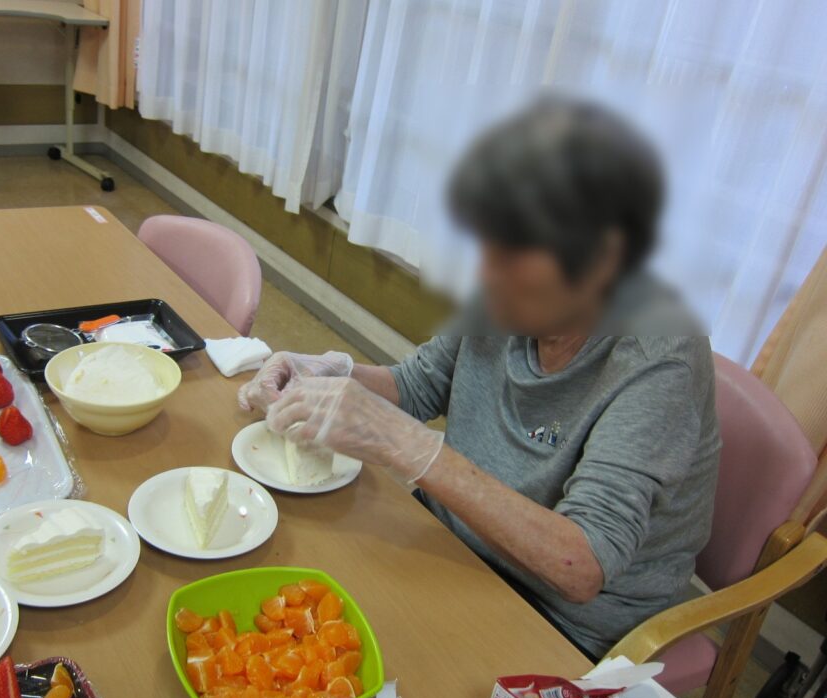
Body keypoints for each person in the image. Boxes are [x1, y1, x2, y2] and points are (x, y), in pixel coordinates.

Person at [237, 95, 721, 659]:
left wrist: (408, 445)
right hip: (451, 544)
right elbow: (419, 385)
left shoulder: (659, 362)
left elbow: (581, 566)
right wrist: (327, 374)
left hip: (555, 620)